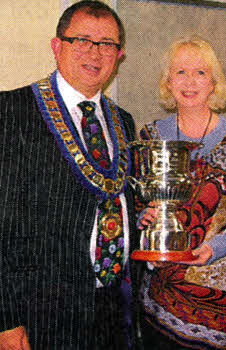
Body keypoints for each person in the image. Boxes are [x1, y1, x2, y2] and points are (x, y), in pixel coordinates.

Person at [0, 1, 139, 349]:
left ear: (119, 55)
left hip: (114, 308)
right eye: (82, 40)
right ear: (57, 45)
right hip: (40, 313)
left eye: (107, 43)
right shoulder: (12, 112)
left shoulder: (123, 121)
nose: (95, 52)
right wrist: (5, 321)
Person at [138, 36, 226, 350]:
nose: (189, 81)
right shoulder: (150, 136)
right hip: (160, 302)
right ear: (168, 82)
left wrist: (217, 248)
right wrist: (143, 218)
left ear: (214, 83)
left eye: (200, 72)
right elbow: (133, 204)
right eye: (180, 72)